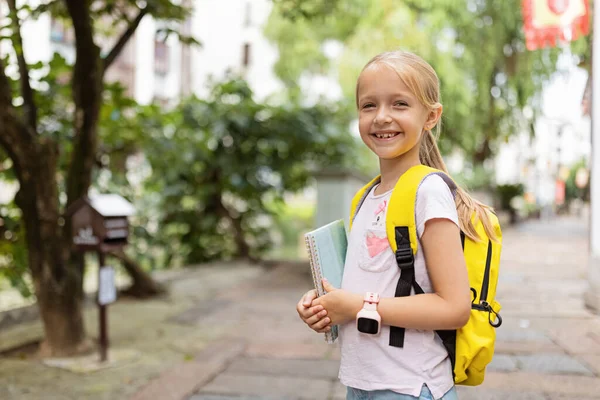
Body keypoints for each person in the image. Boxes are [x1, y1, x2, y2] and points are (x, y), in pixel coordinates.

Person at [296, 50, 498, 400]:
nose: (382, 117)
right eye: (369, 105)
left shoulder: (428, 191)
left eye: (400, 104)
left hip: (409, 387)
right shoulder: (366, 196)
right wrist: (324, 303)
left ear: (431, 116)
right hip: (361, 382)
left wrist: (359, 305)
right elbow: (369, 284)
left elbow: (454, 308)